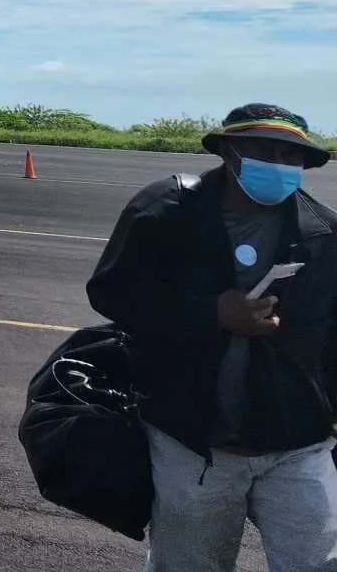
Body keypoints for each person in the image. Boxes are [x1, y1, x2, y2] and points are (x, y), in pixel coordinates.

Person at [87, 103, 336, 572]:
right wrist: (210, 314)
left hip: (297, 440)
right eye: (264, 150)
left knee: (318, 563)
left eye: (291, 156)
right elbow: (111, 292)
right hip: (193, 439)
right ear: (229, 151)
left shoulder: (324, 232)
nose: (280, 164)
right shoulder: (165, 211)